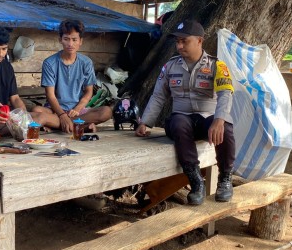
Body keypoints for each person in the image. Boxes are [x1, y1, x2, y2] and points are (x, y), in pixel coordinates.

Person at [135, 20, 235, 205]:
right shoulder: (170, 67)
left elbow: (225, 94)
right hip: (181, 120)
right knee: (179, 123)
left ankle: (225, 180)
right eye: (177, 42)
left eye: (184, 41)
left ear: (199, 41)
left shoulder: (217, 66)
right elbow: (158, 96)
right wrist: (145, 123)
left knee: (226, 127)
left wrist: (219, 119)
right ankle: (195, 181)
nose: (179, 46)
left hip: (207, 120)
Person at [32, 19, 112, 133]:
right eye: (66, 39)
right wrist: (62, 115)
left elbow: (89, 92)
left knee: (106, 111)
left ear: (81, 41)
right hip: (55, 110)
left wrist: (77, 109)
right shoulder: (50, 63)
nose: (70, 44)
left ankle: (59, 124)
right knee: (37, 110)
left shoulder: (86, 62)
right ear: (60, 40)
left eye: (74, 40)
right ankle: (79, 125)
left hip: (77, 111)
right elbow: (50, 95)